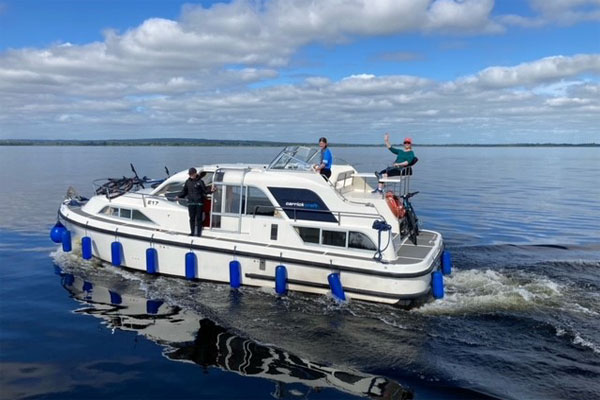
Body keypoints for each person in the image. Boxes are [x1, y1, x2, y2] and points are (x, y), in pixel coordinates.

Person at [177, 168, 208, 236]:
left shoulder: (200, 182)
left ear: (195, 173)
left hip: (199, 202)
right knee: (192, 218)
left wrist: (212, 191)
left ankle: (199, 233)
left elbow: (205, 191)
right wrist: (179, 196)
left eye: (192, 174)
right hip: (191, 202)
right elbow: (184, 191)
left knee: (199, 218)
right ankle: (192, 232)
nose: (191, 175)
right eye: (190, 174)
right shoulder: (187, 182)